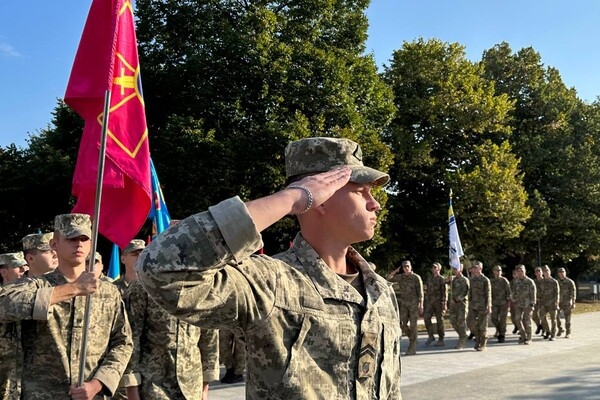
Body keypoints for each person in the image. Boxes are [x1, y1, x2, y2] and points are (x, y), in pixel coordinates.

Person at [135, 137, 402, 399]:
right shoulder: (270, 283)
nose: (375, 203)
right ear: (322, 199)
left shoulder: (380, 292)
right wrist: (293, 198)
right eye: (360, 191)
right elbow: (161, 267)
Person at [0, 213, 133, 400]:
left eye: (84, 239)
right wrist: (74, 289)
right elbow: (4, 305)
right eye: (71, 238)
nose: (78, 244)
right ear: (54, 244)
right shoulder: (36, 285)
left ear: (91, 244)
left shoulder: (108, 292)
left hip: (92, 395)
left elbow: (122, 343)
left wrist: (98, 384)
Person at [121, 278, 220, 399]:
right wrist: (131, 388)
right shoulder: (144, 286)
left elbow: (209, 338)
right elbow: (130, 340)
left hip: (191, 387)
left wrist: (205, 386)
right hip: (153, 387)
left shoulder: (202, 286)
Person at [0, 252, 29, 400]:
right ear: (4, 272)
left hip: (23, 374)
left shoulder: (29, 297)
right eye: (19, 267)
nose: (24, 270)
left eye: (26, 266)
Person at [388, 260, 423, 355]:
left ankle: (412, 347)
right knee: (402, 324)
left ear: (411, 267)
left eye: (408, 266)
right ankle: (413, 338)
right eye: (404, 267)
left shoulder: (416, 277)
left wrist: (421, 305)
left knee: (413, 325)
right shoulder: (401, 277)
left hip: (414, 304)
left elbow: (420, 293)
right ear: (402, 268)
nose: (406, 268)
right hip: (404, 304)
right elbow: (389, 278)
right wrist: (395, 271)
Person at [466, 261, 491, 351]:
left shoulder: (485, 280)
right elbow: (470, 293)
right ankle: (478, 338)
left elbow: (488, 294)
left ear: (480, 268)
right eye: (473, 268)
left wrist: (489, 306)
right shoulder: (471, 280)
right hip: (473, 305)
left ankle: (483, 344)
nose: (474, 269)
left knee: (482, 325)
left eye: (476, 268)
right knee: (470, 322)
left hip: (482, 306)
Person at [422, 262, 447, 347]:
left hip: (439, 302)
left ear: (439, 269)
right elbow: (427, 290)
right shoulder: (430, 279)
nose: (433, 269)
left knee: (439, 320)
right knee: (426, 317)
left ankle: (441, 338)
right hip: (430, 302)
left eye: (435, 267)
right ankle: (431, 335)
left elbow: (444, 292)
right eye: (432, 267)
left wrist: (444, 303)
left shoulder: (441, 279)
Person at [511, 264, 536, 344]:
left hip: (527, 304)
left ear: (525, 271)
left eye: (521, 271)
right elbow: (513, 292)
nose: (520, 272)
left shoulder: (529, 281)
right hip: (518, 304)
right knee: (517, 319)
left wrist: (532, 304)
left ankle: (529, 338)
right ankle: (523, 335)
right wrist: (513, 300)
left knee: (527, 320)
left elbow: (533, 293)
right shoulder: (515, 282)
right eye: (518, 271)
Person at [448, 263, 470, 349]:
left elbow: (465, 292)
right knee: (453, 320)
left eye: (456, 268)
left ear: (461, 269)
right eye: (454, 269)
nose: (454, 270)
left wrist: (456, 299)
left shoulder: (464, 280)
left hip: (461, 304)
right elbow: (443, 282)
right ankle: (463, 334)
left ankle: (462, 341)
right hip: (453, 305)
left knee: (461, 322)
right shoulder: (453, 280)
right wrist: (449, 279)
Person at [489, 265, 511, 343]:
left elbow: (509, 292)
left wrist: (509, 302)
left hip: (503, 303)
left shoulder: (504, 280)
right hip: (494, 303)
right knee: (493, 318)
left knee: (502, 319)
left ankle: (502, 335)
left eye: (500, 270)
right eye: (497, 270)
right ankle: (500, 329)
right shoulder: (491, 281)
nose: (498, 272)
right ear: (493, 272)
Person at [538, 265, 559, 341]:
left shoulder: (554, 282)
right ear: (543, 273)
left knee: (553, 319)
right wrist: (538, 300)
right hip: (543, 303)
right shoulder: (541, 282)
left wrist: (557, 303)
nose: (546, 272)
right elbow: (539, 292)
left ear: (550, 272)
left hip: (552, 303)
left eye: (547, 271)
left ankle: (553, 335)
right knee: (542, 317)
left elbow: (557, 293)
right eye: (544, 271)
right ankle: (548, 331)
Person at [556, 267, 577, 338]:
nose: (562, 274)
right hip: (559, 302)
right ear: (558, 274)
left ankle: (568, 332)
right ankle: (560, 329)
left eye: (563, 272)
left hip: (567, 302)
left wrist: (573, 303)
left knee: (567, 318)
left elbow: (573, 293)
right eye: (560, 272)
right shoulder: (557, 282)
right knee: (556, 316)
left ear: (565, 273)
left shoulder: (570, 282)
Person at [532, 266, 544, 335]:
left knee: (542, 315)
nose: (538, 273)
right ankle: (539, 326)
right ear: (535, 273)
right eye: (536, 272)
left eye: (539, 271)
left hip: (543, 300)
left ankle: (544, 330)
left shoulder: (545, 281)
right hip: (536, 300)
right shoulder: (533, 282)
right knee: (534, 316)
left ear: (542, 272)